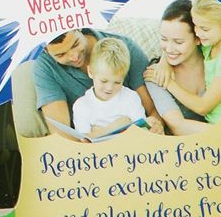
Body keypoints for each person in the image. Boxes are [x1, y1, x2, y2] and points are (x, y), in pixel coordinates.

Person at [33, 27, 165, 141]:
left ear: (79, 28)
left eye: (75, 44)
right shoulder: (44, 67)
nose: (74, 56)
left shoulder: (125, 49)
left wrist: (155, 128)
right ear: (46, 51)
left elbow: (153, 110)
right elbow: (62, 135)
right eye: (61, 54)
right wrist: (113, 128)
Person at [146, 0, 221, 124]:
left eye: (179, 42)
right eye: (164, 39)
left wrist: (168, 83)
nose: (198, 33)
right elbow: (177, 125)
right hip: (211, 129)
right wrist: (164, 61)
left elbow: (203, 107)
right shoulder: (209, 47)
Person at [70, 37, 147, 139]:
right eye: (104, 81)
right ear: (90, 72)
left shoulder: (130, 98)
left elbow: (142, 132)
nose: (110, 88)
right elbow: (85, 140)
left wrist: (96, 132)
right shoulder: (81, 105)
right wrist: (120, 124)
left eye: (117, 82)